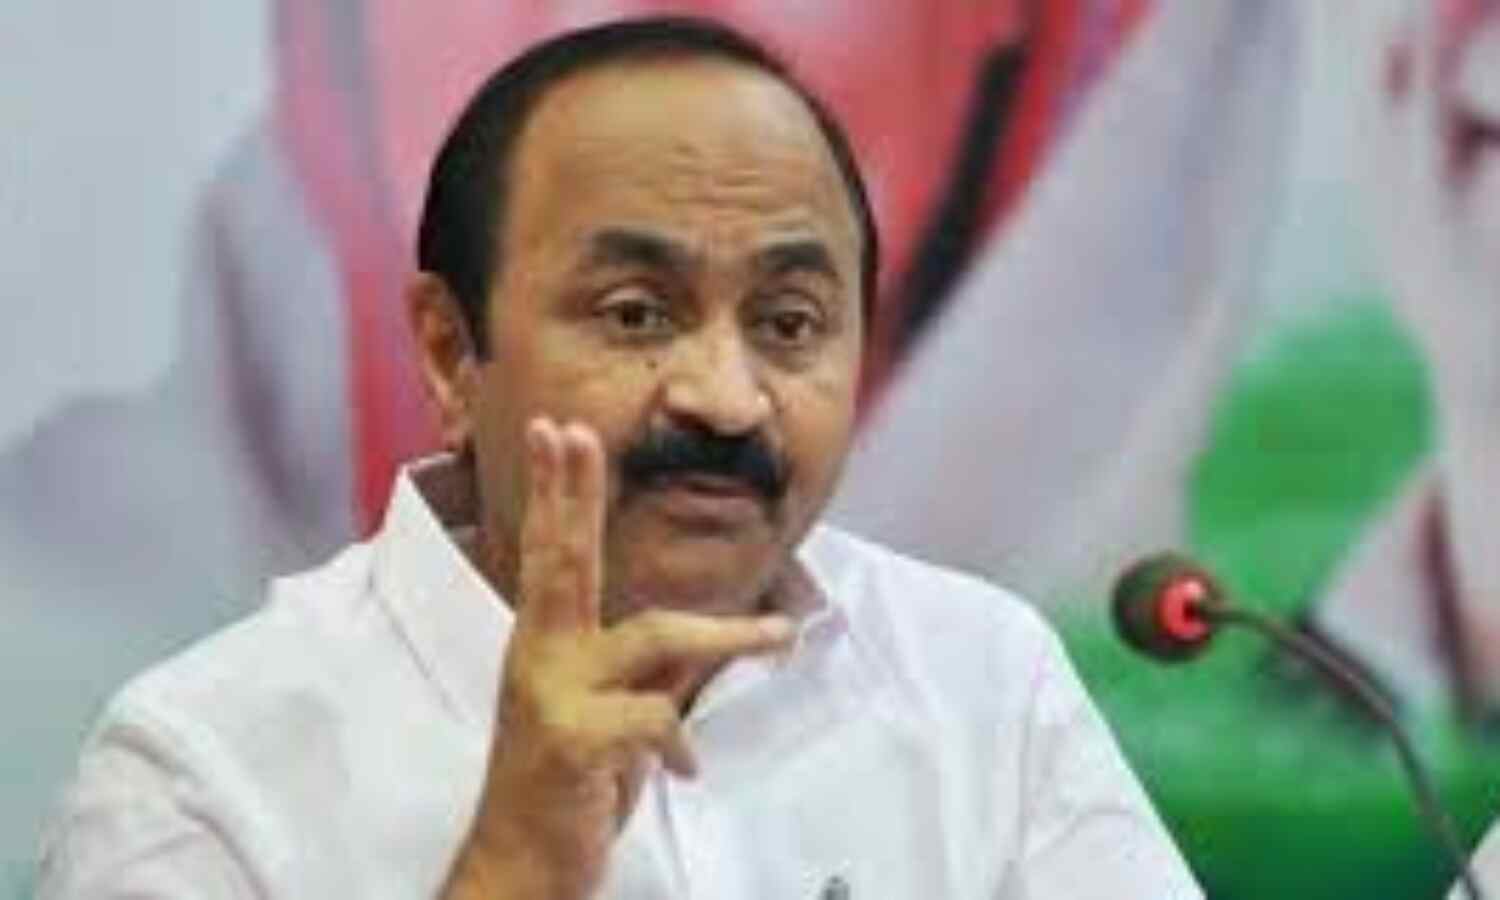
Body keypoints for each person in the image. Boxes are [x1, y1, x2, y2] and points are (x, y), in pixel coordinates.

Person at [36, 17, 1200, 898]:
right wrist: (513, 865)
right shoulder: (200, 772)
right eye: (636, 314)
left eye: (789, 323)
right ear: (449, 353)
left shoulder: (981, 677)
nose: (724, 399)